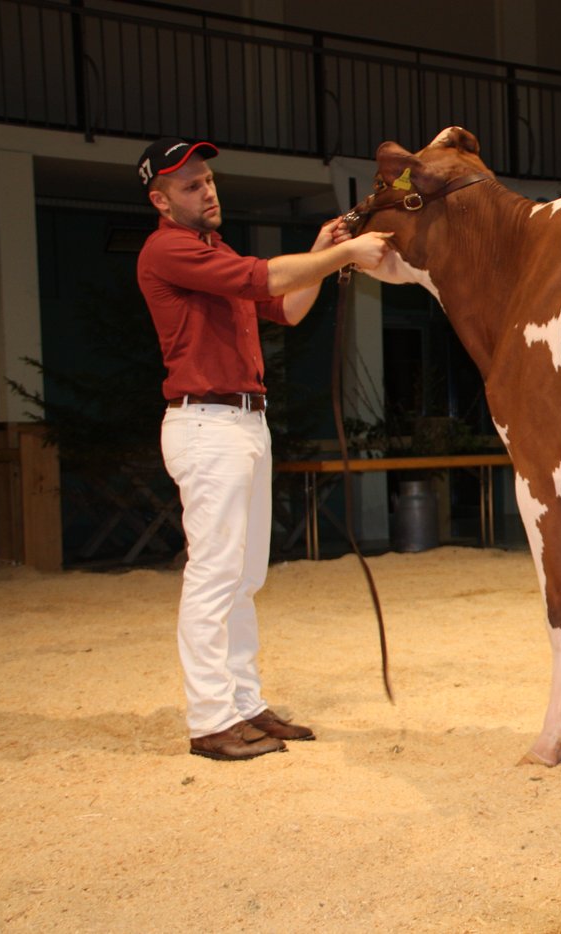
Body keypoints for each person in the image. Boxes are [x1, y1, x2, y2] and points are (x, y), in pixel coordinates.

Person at [137, 137, 394, 760]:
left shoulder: (211, 249)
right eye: (191, 184)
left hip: (244, 423)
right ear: (161, 200)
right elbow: (265, 278)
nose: (207, 189)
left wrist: (321, 254)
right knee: (214, 575)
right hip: (208, 425)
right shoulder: (167, 248)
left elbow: (286, 306)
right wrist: (346, 254)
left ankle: (243, 703)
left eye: (207, 179)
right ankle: (209, 719)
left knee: (244, 575)